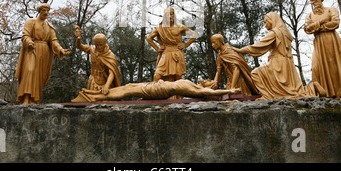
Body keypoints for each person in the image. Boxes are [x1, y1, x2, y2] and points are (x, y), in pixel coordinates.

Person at [234, 12, 325, 100]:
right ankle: (312, 88)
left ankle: (268, 95)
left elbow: (259, 46)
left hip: (277, 63)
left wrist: (240, 50)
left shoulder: (275, 33)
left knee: (255, 73)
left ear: (272, 20)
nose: (265, 25)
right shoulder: (284, 32)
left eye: (266, 22)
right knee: (292, 89)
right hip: (288, 63)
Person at [304, 0, 341, 99]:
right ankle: (325, 91)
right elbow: (307, 29)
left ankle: (340, 93)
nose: (312, 1)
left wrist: (318, 28)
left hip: (332, 41)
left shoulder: (331, 10)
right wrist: (321, 22)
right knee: (315, 67)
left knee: (334, 65)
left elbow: (335, 23)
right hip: (318, 43)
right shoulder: (309, 15)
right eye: (311, 0)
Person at [15, 3, 71, 104]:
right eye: (44, 10)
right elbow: (25, 35)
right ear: (39, 11)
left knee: (38, 76)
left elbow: (53, 41)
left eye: (47, 11)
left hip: (44, 52)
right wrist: (29, 42)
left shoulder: (49, 26)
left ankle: (33, 99)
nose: (46, 12)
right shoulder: (31, 22)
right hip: (32, 49)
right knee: (29, 71)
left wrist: (61, 50)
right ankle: (25, 98)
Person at [71, 78, 240, 102]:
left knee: (126, 92)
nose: (207, 80)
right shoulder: (190, 83)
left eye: (209, 82)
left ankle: (94, 96)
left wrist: (230, 90)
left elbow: (212, 93)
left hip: (155, 91)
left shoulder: (196, 90)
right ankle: (92, 93)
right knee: (128, 87)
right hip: (155, 85)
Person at [146, 7, 197, 83]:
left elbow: (194, 35)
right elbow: (149, 38)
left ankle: (178, 95)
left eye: (171, 14)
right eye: (167, 15)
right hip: (165, 54)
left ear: (174, 15)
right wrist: (157, 49)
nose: (170, 16)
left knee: (178, 77)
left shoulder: (180, 27)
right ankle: (161, 94)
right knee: (157, 76)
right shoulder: (160, 28)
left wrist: (185, 45)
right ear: (164, 17)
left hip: (177, 53)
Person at [74, 25, 120, 95]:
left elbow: (112, 72)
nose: (98, 47)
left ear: (105, 44)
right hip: (92, 82)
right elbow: (80, 46)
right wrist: (78, 38)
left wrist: (107, 85)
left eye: (101, 45)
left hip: (104, 83)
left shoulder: (110, 55)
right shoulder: (92, 49)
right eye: (97, 44)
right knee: (91, 101)